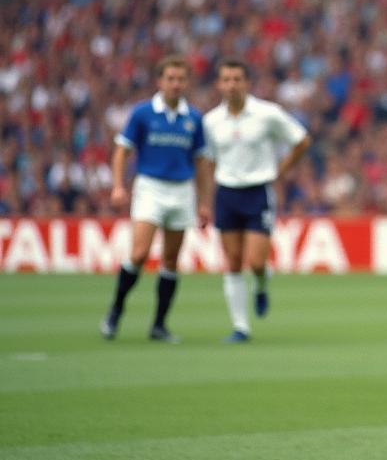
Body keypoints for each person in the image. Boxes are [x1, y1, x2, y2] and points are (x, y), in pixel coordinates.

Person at [101, 55, 213, 343]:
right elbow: (121, 151)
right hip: (150, 187)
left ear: (187, 82)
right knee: (139, 253)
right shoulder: (142, 114)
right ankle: (115, 311)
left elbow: (201, 163)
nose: (176, 84)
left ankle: (159, 325)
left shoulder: (194, 119)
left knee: (171, 260)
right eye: (170, 78)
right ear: (160, 81)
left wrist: (203, 202)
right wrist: (117, 185)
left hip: (182, 190)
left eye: (180, 79)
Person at [201, 59, 311, 342]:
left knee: (256, 262)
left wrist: (280, 172)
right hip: (226, 193)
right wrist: (206, 197)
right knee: (233, 262)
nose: (232, 85)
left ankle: (261, 285)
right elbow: (207, 160)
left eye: (237, 79)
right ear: (219, 84)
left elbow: (301, 140)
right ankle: (241, 327)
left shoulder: (267, 113)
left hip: (258, 192)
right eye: (226, 79)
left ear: (247, 83)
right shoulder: (211, 121)